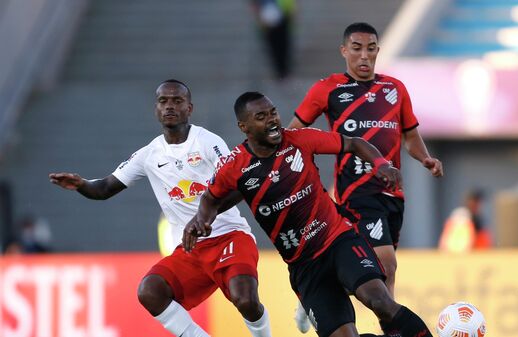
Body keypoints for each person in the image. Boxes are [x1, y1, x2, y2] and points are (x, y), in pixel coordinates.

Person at [183, 92, 433, 337]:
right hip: (304, 265)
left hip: (338, 240)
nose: (272, 120)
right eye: (261, 116)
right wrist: (202, 219)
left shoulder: (300, 140)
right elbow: (210, 198)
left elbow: (354, 143)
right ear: (244, 126)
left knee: (379, 301)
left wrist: (382, 165)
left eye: (273, 112)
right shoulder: (234, 166)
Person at [49, 80, 272, 337]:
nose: (169, 106)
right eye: (163, 101)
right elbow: (104, 189)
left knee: (245, 300)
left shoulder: (208, 142)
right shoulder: (149, 154)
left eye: (177, 101)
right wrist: (81, 184)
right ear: (155, 108)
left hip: (229, 236)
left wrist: (203, 218)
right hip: (190, 250)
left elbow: (241, 185)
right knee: (150, 291)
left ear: (190, 108)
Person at [288, 22, 443, 332]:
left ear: (377, 51)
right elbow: (293, 134)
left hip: (392, 194)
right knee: (386, 263)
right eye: (356, 49)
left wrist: (425, 158)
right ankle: (394, 330)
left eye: (370, 49)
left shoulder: (395, 89)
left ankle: (319, 290)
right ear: (344, 51)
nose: (364, 56)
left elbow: (410, 136)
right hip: (354, 193)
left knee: (379, 271)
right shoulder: (327, 89)